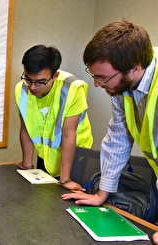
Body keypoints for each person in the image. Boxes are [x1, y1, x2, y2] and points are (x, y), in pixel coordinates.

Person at [61, 20, 158, 236]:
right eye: (93, 75)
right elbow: (118, 138)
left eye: (102, 77)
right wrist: (102, 193)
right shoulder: (123, 87)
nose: (96, 84)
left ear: (134, 68)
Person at [15, 45, 93, 191]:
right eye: (28, 79)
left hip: (76, 157)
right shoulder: (22, 90)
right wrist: (27, 164)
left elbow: (69, 134)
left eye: (40, 82)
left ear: (55, 76)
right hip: (45, 154)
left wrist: (65, 179)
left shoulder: (72, 89)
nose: (32, 87)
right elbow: (26, 128)